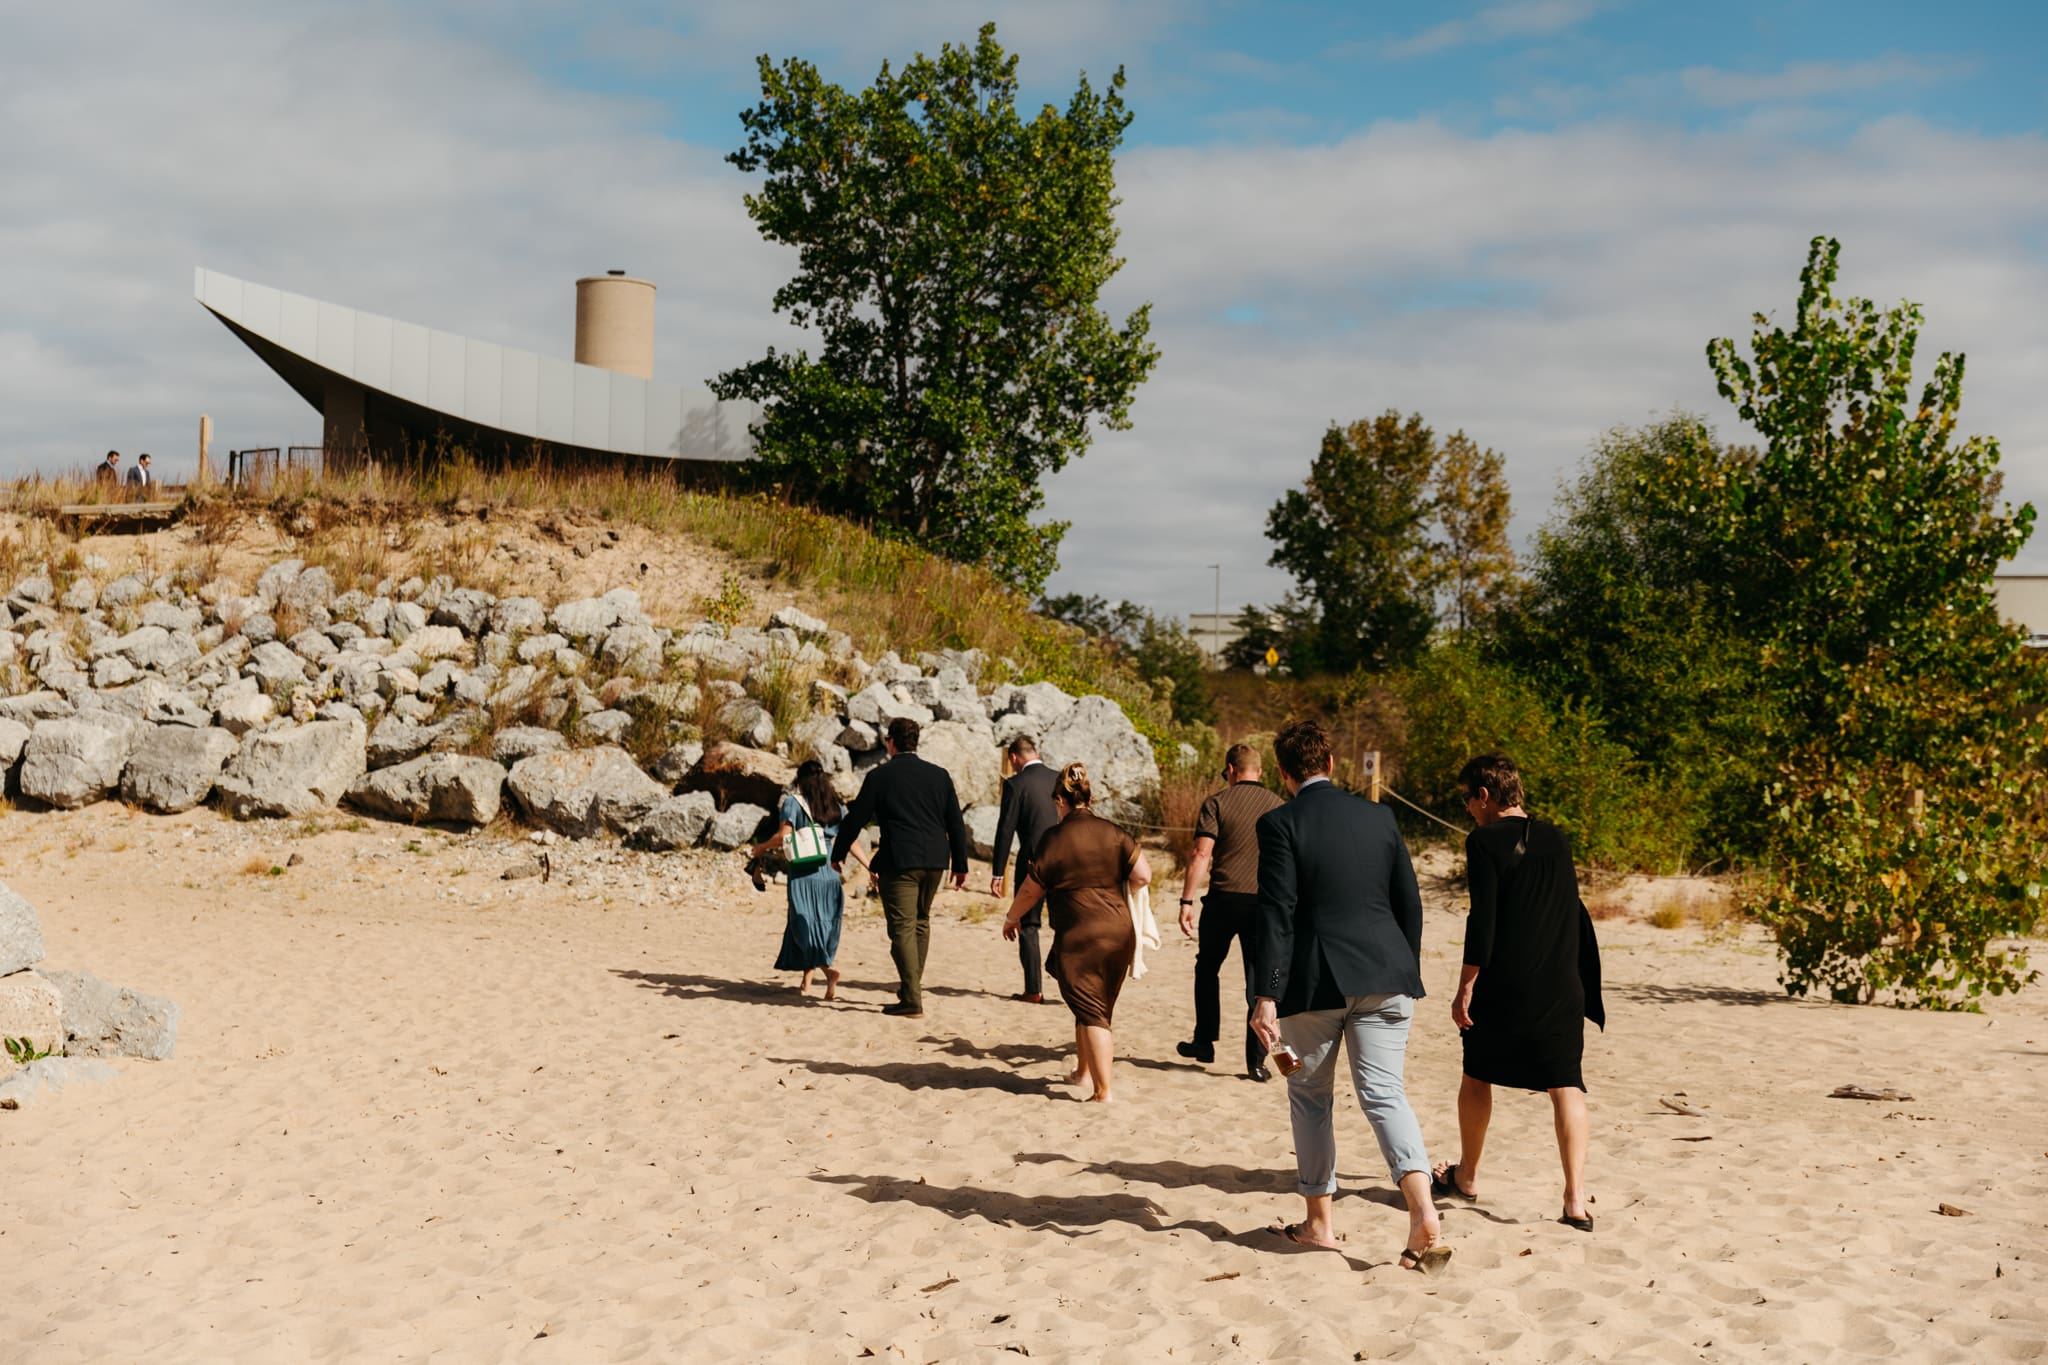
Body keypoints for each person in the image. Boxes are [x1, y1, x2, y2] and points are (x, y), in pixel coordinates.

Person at [1249, 717, 1448, 1273]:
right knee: (1385, 1093)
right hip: (1386, 973)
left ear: (1284, 773)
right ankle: (1422, 1206)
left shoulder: (1279, 822)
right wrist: (1401, 965)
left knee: (1310, 1097)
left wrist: (1266, 994)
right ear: (1332, 764)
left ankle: (1319, 1223)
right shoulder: (1380, 815)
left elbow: (1277, 913)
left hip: (1314, 983)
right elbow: (1409, 901)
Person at [1432, 752, 1604, 1233]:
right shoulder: (1558, 838)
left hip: (1507, 983)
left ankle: (1466, 1176)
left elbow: (1482, 920)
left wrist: (1465, 986)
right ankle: (1574, 1199)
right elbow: (1572, 911)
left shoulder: (1483, 841)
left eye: (1468, 799)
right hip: (1561, 984)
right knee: (1565, 1083)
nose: (1467, 808)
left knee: (1476, 1073)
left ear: (1484, 796)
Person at [1001, 762, 1150, 1102]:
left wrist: (1012, 918)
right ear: (1089, 797)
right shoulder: (1114, 831)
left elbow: (1030, 889)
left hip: (1080, 933)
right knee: (1093, 1005)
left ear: (1059, 800)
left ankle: (1103, 1091)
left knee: (1092, 1010)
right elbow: (1143, 874)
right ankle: (1083, 1072)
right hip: (1119, 931)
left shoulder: (1054, 838)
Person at [831, 716, 969, 1018]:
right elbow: (955, 823)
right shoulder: (939, 775)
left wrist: (838, 853)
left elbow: (856, 819)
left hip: (900, 861)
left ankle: (912, 999)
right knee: (921, 921)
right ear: (915, 742)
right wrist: (960, 864)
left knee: (902, 928)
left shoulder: (880, 776)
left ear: (891, 742)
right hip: (936, 861)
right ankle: (910, 990)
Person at [1176, 743, 1283, 1081]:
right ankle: (1256, 1061)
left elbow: (1200, 854)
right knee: (1258, 978)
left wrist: (1186, 900)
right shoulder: (1279, 807)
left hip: (1223, 899)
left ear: (1231, 770)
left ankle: (1204, 1041)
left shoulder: (1217, 802)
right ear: (1260, 772)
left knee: (1207, 968)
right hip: (1262, 903)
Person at [746, 759, 847, 999]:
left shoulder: (793, 803)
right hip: (831, 873)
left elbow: (783, 836)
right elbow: (849, 841)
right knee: (815, 924)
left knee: (802, 924)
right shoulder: (836, 807)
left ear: (800, 782)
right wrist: (868, 866)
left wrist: (761, 848)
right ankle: (807, 981)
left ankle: (828, 971)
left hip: (805, 871)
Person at [990, 734, 1059, 1004]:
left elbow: (1005, 830)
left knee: (1029, 925)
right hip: (1065, 863)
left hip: (1031, 864)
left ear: (1014, 758)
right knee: (1064, 924)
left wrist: (998, 872)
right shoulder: (1059, 779)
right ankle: (1068, 982)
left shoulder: (1015, 784)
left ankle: (1034, 989)